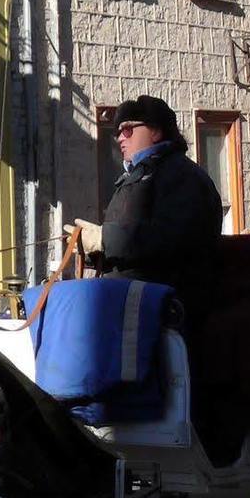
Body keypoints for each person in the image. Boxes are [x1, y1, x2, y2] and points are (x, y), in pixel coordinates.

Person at [73, 95, 223, 332]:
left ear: (155, 131)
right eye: (118, 132)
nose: (120, 137)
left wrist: (105, 239)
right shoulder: (138, 175)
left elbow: (173, 238)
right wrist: (95, 250)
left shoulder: (182, 176)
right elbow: (133, 245)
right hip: (132, 307)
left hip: (164, 315)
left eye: (128, 129)